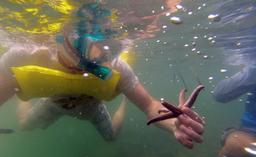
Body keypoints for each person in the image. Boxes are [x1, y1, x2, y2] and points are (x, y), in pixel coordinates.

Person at [0, 2, 204, 149]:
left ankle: (125, 100)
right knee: (24, 124)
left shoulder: (118, 68)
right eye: (82, 41)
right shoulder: (24, 56)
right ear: (62, 32)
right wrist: (15, 86)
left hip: (92, 108)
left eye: (109, 47)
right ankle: (20, 93)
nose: (95, 56)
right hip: (53, 103)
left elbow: (150, 106)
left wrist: (173, 123)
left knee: (112, 136)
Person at [213, 1, 256, 157]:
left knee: (234, 147)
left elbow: (220, 94)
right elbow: (220, 94)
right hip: (252, 132)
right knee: (234, 150)